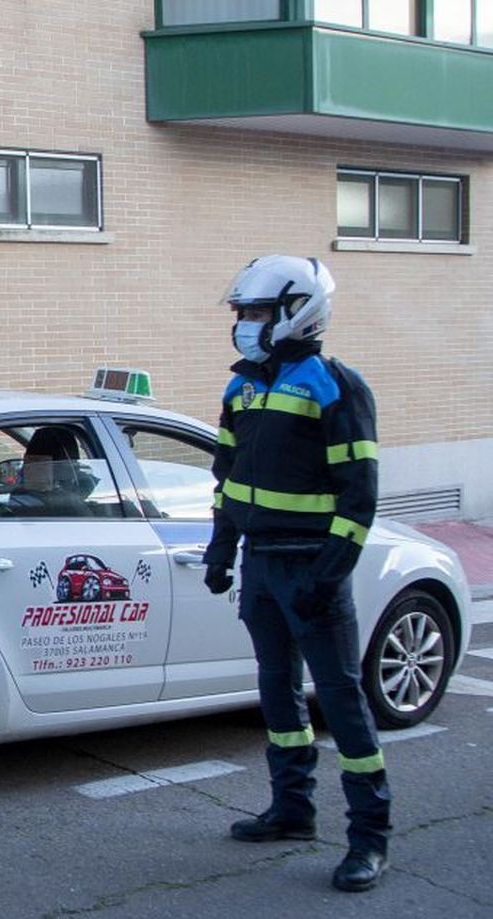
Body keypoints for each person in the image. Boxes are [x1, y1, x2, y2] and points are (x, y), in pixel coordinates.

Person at [202, 255, 388, 892]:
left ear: (296, 313)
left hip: (311, 570)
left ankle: (369, 838)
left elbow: (358, 497)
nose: (245, 326)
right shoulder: (242, 387)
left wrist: (327, 575)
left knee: (342, 702)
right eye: (242, 314)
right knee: (278, 695)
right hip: (260, 567)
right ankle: (292, 809)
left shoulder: (335, 387)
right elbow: (227, 480)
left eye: (255, 314)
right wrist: (220, 551)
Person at [8, 426, 92, 518]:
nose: (27, 469)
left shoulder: (19, 498)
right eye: (29, 462)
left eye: (37, 463)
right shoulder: (20, 497)